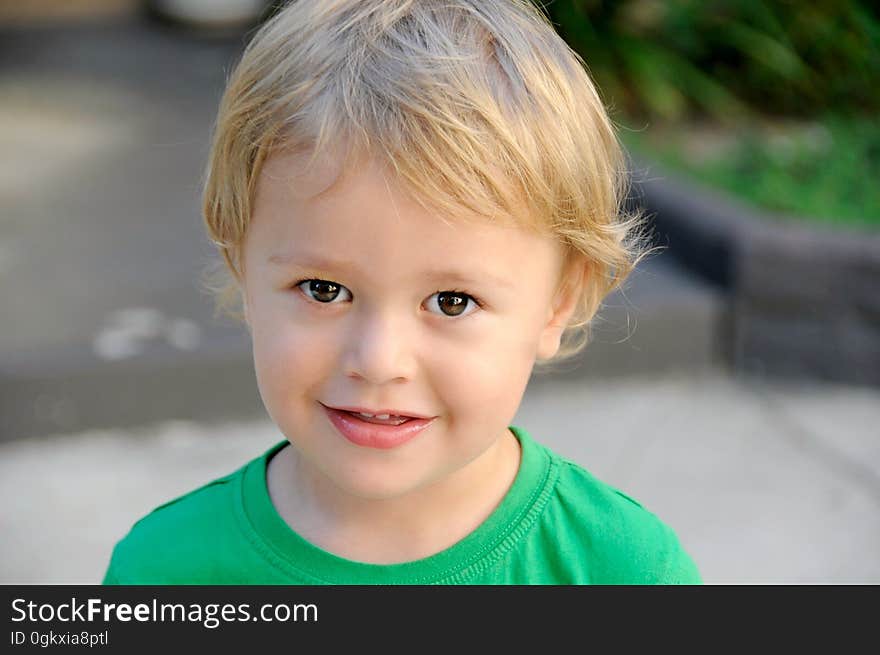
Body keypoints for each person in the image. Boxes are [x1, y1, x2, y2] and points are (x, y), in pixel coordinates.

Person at [102, 0, 701, 584]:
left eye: (452, 301)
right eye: (323, 289)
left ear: (559, 304)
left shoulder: (626, 571)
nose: (379, 360)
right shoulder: (165, 572)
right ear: (242, 266)